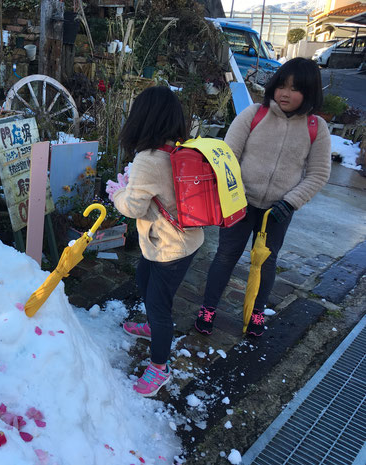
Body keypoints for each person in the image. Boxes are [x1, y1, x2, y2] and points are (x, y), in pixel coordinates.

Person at [194, 57, 331, 337]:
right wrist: (232, 195)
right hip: (240, 203)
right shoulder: (254, 114)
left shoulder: (316, 128)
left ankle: (257, 312)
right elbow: (227, 157)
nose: (285, 93)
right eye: (281, 85)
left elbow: (318, 174)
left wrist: (290, 202)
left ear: (309, 93)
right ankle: (208, 308)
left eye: (294, 88)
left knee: (266, 261)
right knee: (225, 256)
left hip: (278, 211)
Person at [107, 86, 204, 397]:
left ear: (142, 119)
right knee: (145, 279)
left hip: (168, 247)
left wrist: (117, 193)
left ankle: (159, 367)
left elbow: (133, 207)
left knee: (159, 306)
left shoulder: (148, 158)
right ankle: (151, 326)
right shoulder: (179, 149)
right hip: (183, 242)